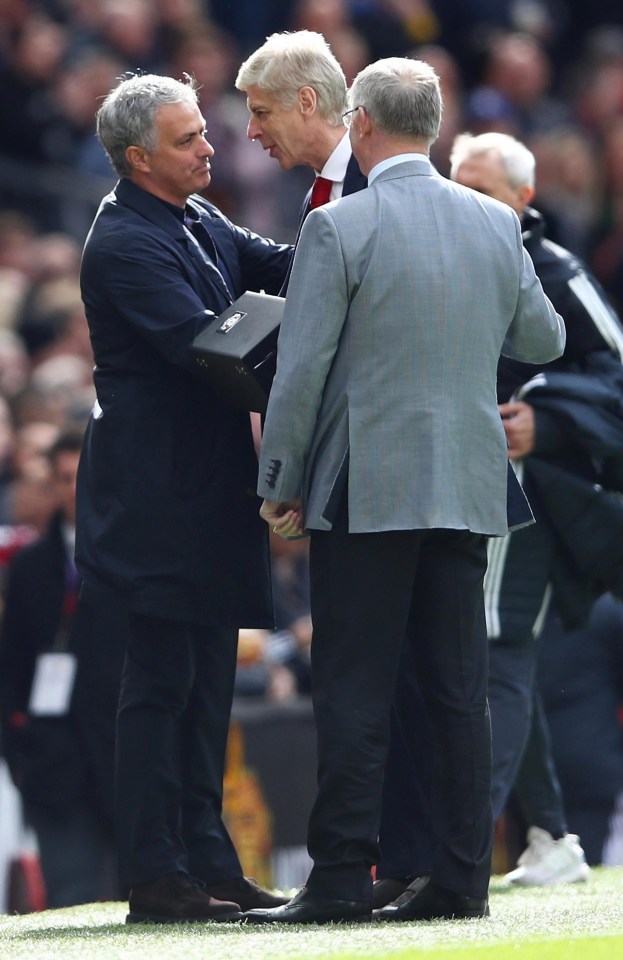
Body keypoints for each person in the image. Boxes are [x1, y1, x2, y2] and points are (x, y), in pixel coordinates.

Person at [243, 56, 565, 925]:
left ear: (360, 124)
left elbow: (301, 372)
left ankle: (343, 876)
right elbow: (544, 336)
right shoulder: (494, 224)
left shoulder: (339, 228)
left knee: (354, 686)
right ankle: (460, 880)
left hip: (366, 487)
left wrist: (280, 480)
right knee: (458, 690)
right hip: (467, 482)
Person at [75, 72, 291, 924]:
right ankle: (157, 876)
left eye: (202, 131)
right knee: (161, 682)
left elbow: (271, 263)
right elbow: (213, 351)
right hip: (156, 500)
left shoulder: (193, 216)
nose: (210, 145)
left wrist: (349, 227)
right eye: (188, 138)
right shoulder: (125, 242)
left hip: (203, 491)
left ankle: (209, 864)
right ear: (138, 158)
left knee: (204, 686)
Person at [236, 28, 435, 907]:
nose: (249, 134)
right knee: (391, 680)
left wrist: (281, 472)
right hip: (360, 477)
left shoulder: (385, 189)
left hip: (394, 474)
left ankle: (383, 865)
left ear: (310, 104)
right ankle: (400, 864)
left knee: (399, 678)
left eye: (260, 111)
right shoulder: (321, 197)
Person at [451, 131, 623, 885]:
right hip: (477, 485)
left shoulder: (554, 269)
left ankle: (455, 851)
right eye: (456, 184)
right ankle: (551, 835)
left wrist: (544, 420)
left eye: (482, 188)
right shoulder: (451, 263)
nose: (465, 200)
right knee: (498, 650)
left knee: (497, 650)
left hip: (533, 494)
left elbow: (615, 370)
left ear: (524, 200)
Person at [0, 428, 122, 907]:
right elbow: (10, 668)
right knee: (74, 901)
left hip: (122, 758)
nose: (73, 488)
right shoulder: (30, 567)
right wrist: (23, 750)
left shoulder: (130, 561)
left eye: (81, 476)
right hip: (53, 764)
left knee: (146, 905)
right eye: (63, 477)